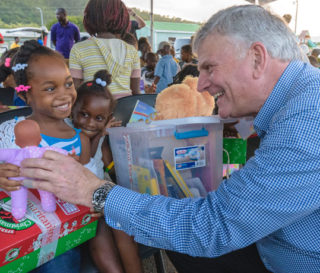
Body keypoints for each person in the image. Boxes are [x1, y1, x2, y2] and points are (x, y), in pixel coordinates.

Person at [19, 5, 320, 273]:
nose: (201, 83)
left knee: (187, 231)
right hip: (274, 245)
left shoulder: (307, 121)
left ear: (257, 58)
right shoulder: (299, 99)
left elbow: (213, 227)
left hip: (287, 259)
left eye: (209, 68)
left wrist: (97, 192)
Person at [0, 39, 90, 273]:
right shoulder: (9, 131)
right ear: (26, 95)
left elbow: (90, 181)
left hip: (60, 231)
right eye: (50, 88)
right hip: (15, 227)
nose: (64, 94)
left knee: (60, 263)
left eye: (68, 84)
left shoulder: (78, 137)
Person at [71, 69, 142, 273]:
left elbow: (98, 159)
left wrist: (102, 134)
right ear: (72, 110)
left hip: (101, 195)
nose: (90, 123)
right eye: (84, 114)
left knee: (123, 227)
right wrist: (101, 132)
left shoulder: (97, 135)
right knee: (101, 239)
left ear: (107, 117)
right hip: (85, 203)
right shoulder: (71, 136)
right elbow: (86, 162)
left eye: (99, 118)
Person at [69, 0, 141, 99]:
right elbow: (136, 92)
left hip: (92, 110)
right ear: (122, 18)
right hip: (124, 110)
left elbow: (74, 90)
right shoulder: (131, 51)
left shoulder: (79, 49)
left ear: (90, 17)